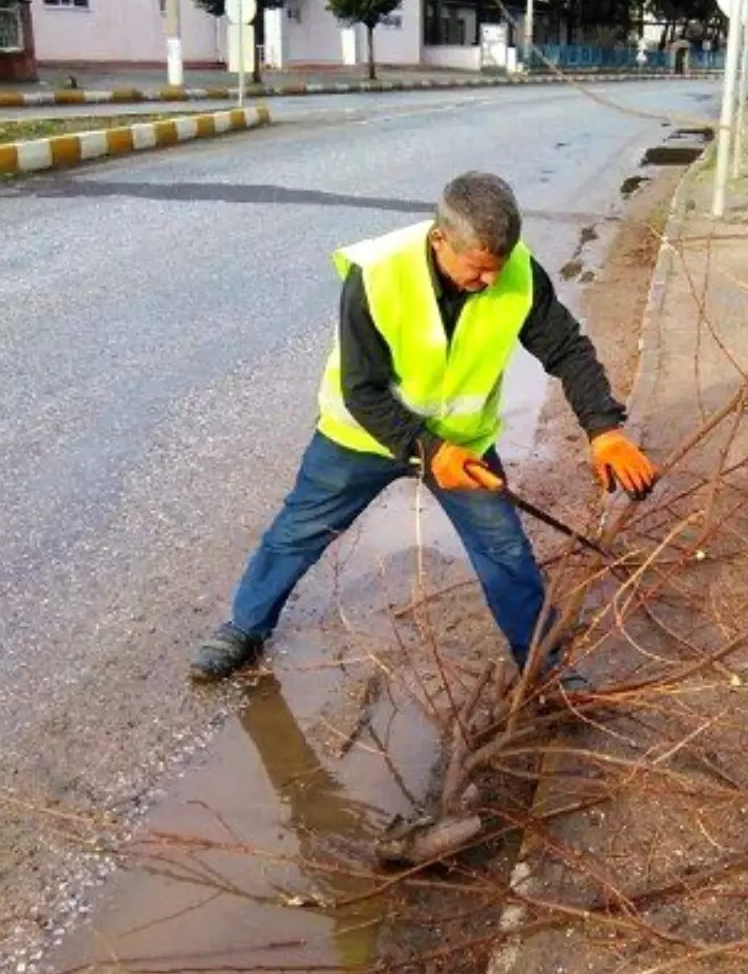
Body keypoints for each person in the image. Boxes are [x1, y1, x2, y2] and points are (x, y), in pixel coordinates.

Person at [190, 172, 659, 684]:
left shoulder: (519, 274)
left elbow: (566, 348)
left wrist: (603, 428)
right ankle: (245, 626)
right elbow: (362, 389)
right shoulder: (378, 274)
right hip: (361, 437)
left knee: (504, 551)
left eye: (496, 271)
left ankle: (545, 668)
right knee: (298, 532)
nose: (487, 282)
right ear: (441, 239)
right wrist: (427, 448)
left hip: (461, 443)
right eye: (477, 270)